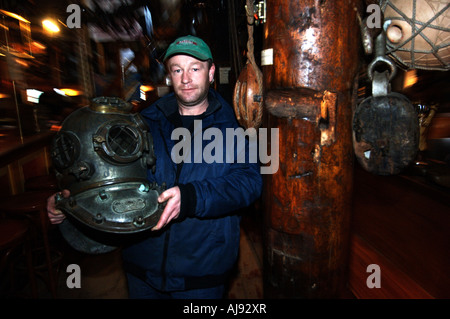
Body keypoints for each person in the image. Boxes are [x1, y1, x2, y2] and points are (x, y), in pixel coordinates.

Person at [47, 35, 263, 299]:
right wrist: (71, 201)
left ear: (211, 72)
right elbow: (110, 179)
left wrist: (191, 197)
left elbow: (249, 183)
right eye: (177, 70)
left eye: (195, 68)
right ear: (169, 77)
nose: (186, 78)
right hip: (142, 266)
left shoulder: (234, 128)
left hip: (202, 272)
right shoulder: (142, 124)